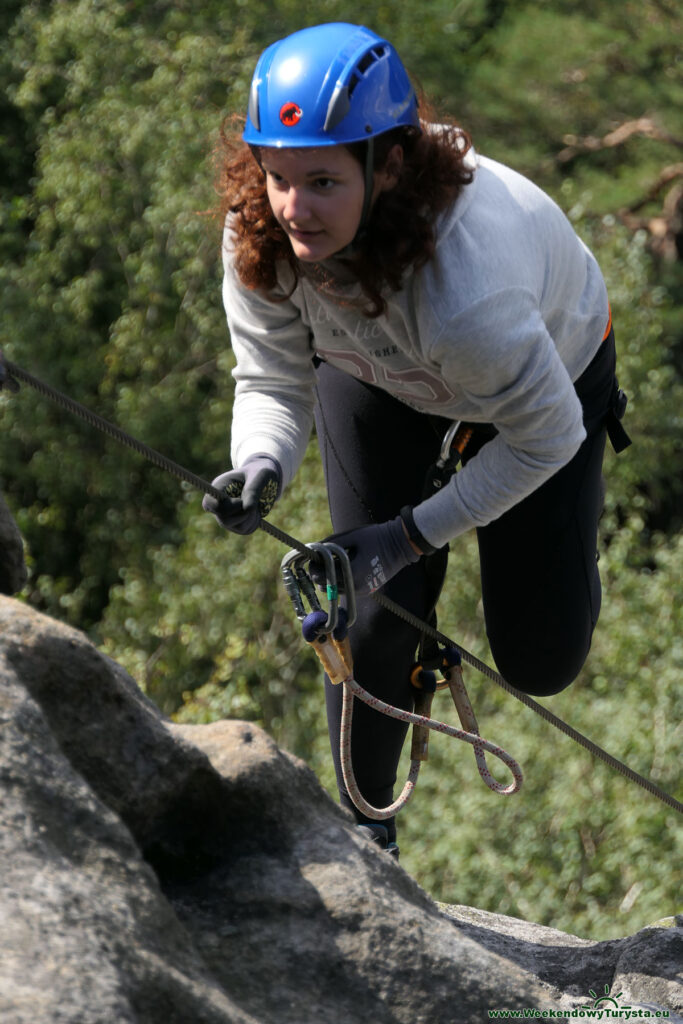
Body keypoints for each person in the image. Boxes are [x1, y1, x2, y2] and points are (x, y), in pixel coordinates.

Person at [203, 22, 630, 855]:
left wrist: (407, 535)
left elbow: (546, 438)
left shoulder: (466, 289)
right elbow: (269, 382)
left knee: (539, 659)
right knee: (365, 608)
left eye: (323, 180)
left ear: (388, 164)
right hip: (381, 376)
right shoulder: (262, 233)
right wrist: (260, 460)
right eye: (278, 176)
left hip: (539, 385)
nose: (295, 208)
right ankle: (368, 847)